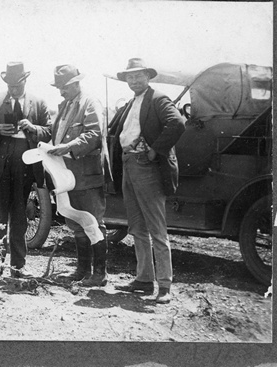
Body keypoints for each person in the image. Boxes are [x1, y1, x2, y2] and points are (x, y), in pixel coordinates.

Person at [108, 58, 186, 304]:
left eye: (138, 75)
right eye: (130, 77)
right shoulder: (131, 102)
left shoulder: (158, 99)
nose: (134, 80)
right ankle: (143, 279)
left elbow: (177, 123)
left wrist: (154, 150)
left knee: (156, 229)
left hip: (146, 167)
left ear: (148, 77)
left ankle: (164, 286)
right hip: (129, 165)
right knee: (137, 227)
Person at [0, 62, 50, 278]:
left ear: (25, 81)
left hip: (25, 168)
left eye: (17, 85)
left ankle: (18, 267)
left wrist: (33, 129)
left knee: (19, 218)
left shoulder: (38, 103)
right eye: (10, 85)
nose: (14, 89)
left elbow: (48, 131)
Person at [45, 64, 109, 286]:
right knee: (75, 223)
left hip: (87, 175)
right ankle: (82, 270)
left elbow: (94, 134)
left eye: (63, 87)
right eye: (59, 88)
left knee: (93, 221)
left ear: (75, 84)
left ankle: (99, 274)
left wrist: (68, 147)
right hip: (66, 176)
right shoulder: (65, 106)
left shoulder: (90, 103)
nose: (61, 92)